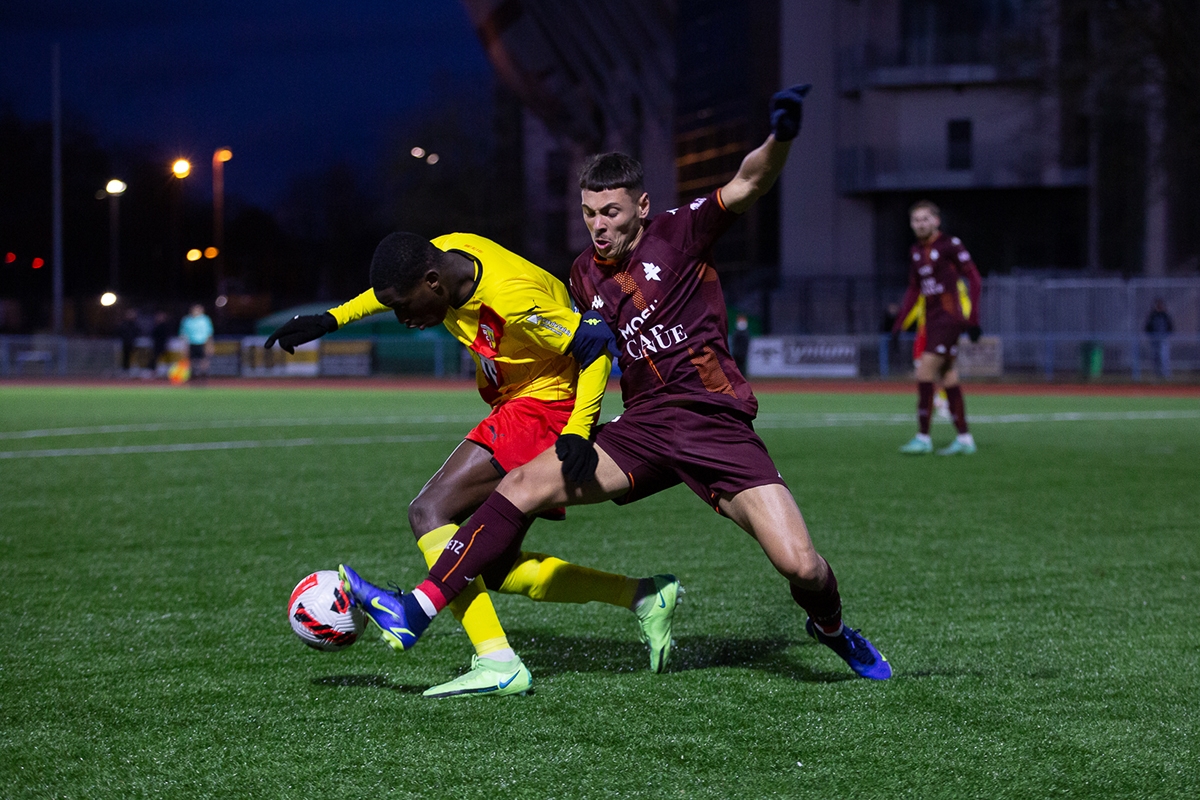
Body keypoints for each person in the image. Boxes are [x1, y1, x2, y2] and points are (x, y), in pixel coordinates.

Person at [339, 83, 893, 681]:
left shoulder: (682, 232)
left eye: (611, 212)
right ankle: (416, 610)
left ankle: (832, 628)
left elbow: (750, 181)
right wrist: (577, 429)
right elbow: (590, 356)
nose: (598, 226)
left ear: (642, 206)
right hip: (643, 429)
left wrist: (780, 138)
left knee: (802, 567)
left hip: (713, 424)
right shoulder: (582, 275)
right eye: (589, 213)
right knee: (521, 483)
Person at [265, 231, 680, 698]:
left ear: (433, 282)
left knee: (429, 511)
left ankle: (496, 660)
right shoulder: (443, 255)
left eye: (405, 306)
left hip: (545, 402)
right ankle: (644, 595)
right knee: (492, 566)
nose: (402, 318)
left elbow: (594, 345)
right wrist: (332, 317)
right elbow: (390, 290)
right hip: (520, 397)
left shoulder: (510, 298)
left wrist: (579, 431)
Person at [891, 200, 981, 455]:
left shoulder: (949, 245)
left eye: (925, 219)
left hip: (949, 319)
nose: (920, 224)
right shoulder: (916, 252)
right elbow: (913, 289)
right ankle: (964, 439)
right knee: (948, 376)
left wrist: (973, 318)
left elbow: (974, 278)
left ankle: (923, 437)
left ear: (936, 221)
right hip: (932, 321)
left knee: (924, 374)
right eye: (916, 220)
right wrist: (899, 324)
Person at [179, 304, 214, 382]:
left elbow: (209, 333)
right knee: (191, 360)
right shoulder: (187, 320)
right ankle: (193, 374)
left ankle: (204, 375)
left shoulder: (205, 319)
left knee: (204, 359)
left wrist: (209, 345)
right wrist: (184, 346)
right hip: (191, 342)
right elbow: (183, 334)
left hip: (202, 342)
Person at [1144, 298, 1174, 379]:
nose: (1159, 307)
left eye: (1160, 305)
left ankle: (1166, 375)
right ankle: (1156, 374)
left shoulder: (1165, 315)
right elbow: (1147, 327)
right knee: (1155, 357)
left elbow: (1170, 327)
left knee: (1164, 357)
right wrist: (1151, 335)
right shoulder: (1152, 315)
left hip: (1163, 339)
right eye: (1158, 305)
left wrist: (1167, 335)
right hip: (1154, 339)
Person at [148, 311, 172, 378]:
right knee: (155, 359)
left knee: (166, 359)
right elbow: (153, 335)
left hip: (164, 345)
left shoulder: (165, 326)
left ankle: (169, 372)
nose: (159, 318)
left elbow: (167, 336)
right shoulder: (155, 325)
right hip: (156, 345)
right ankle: (153, 372)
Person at [117, 309, 141, 374]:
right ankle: (125, 370)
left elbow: (138, 332)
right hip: (125, 343)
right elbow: (119, 332)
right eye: (129, 314)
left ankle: (135, 371)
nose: (130, 316)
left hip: (133, 343)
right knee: (125, 357)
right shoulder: (123, 324)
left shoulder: (135, 324)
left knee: (135, 357)